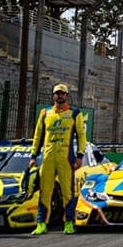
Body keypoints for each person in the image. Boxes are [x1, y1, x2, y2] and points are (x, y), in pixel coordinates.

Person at [29, 83, 87, 235]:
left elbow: (81, 135)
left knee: (68, 192)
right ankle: (41, 223)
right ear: (53, 95)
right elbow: (37, 136)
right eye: (57, 93)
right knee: (45, 191)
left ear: (67, 95)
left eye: (62, 93)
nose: (59, 96)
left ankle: (68, 222)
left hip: (66, 157)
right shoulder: (45, 113)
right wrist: (33, 156)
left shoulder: (75, 113)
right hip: (47, 157)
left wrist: (80, 155)